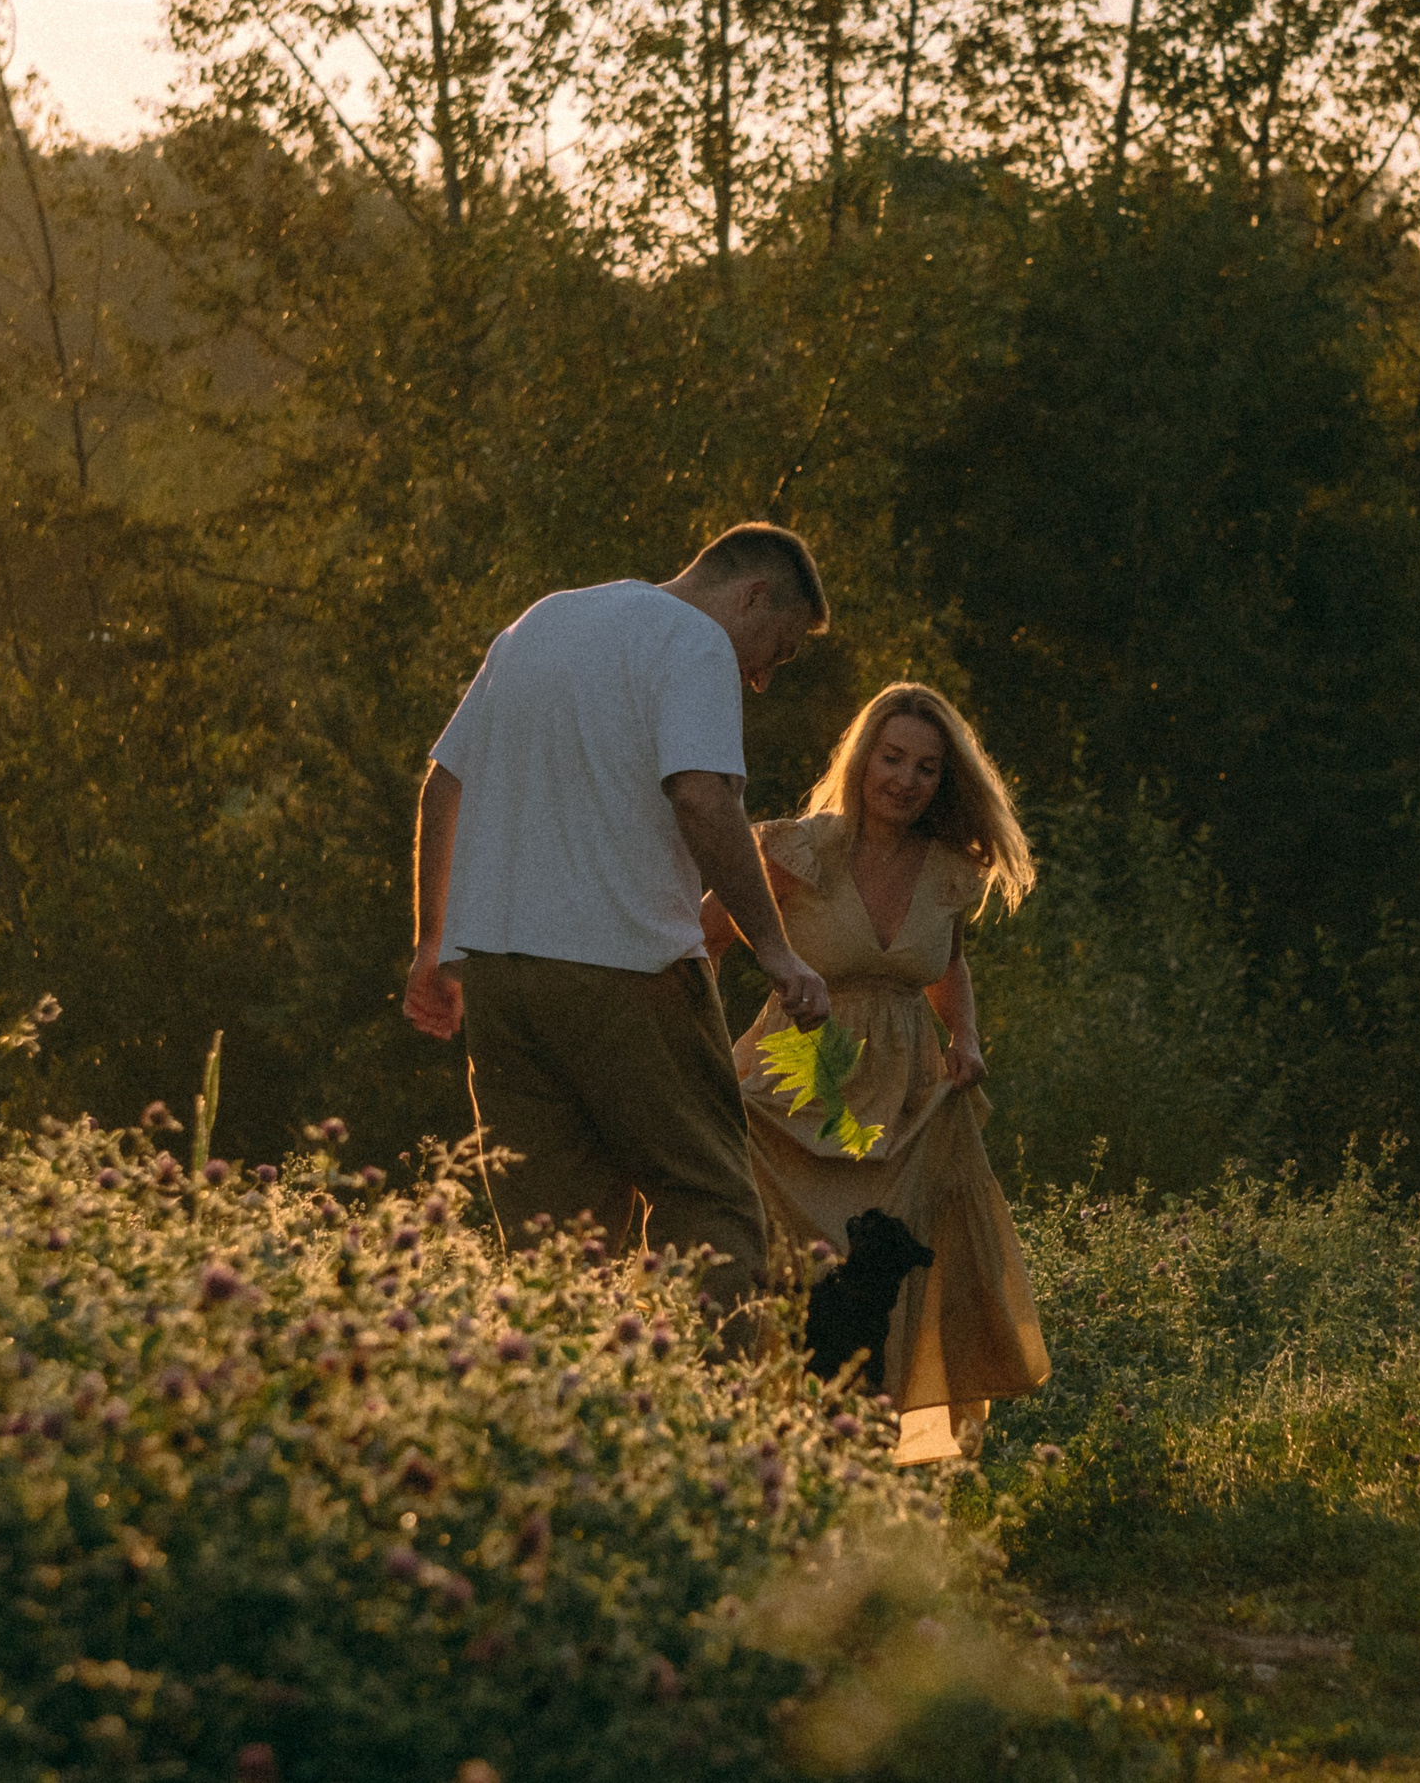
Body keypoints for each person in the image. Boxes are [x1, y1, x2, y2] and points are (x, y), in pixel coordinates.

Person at [401, 524, 835, 1329]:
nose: (765, 678)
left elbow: (442, 786)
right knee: (709, 1202)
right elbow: (705, 798)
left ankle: (576, 1433)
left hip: (501, 977)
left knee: (552, 1244)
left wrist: (433, 943)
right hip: (626, 970)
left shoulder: (540, 624)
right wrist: (776, 951)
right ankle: (717, 1429)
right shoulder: (695, 642)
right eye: (777, 651)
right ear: (752, 595)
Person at [703, 683, 1051, 1462]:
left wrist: (965, 1033)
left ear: (945, 782)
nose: (905, 778)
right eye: (891, 757)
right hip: (797, 1087)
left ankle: (862, 1453)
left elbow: (944, 964)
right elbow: (705, 937)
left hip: (903, 1107)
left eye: (927, 767)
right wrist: (702, 1046)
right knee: (778, 1268)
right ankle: (750, 1442)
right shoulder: (800, 848)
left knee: (885, 1280)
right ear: (863, 759)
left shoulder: (950, 870)